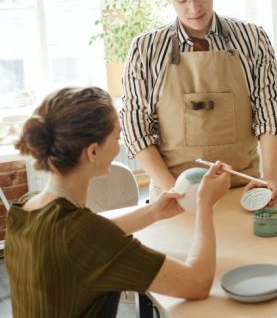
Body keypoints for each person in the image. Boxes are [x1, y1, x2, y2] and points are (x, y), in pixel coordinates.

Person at [7, 87, 231, 317]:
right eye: (116, 137)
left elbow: (86, 241)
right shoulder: (82, 234)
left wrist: (153, 212)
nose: (119, 144)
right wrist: (204, 204)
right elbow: (197, 283)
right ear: (93, 152)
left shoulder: (24, 209)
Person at [121, 0, 277, 204]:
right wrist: (174, 192)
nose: (194, 8)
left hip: (243, 190)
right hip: (173, 195)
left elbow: (269, 112)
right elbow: (135, 131)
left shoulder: (253, 39)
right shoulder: (145, 49)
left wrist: (270, 178)